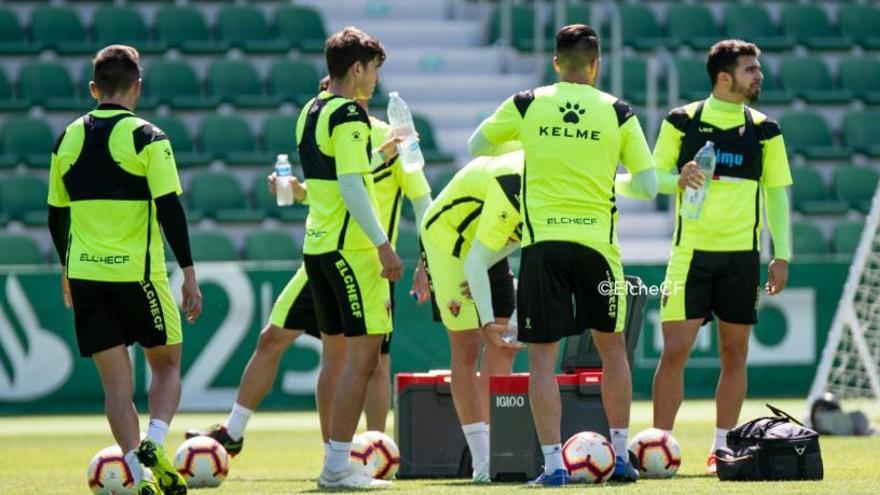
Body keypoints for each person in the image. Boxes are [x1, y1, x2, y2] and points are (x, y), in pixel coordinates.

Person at [184, 77, 431, 454]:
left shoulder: (391, 139)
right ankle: (244, 434)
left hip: (372, 262)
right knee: (277, 339)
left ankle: (377, 450)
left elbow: (420, 198)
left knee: (375, 361)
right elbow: (328, 194)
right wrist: (299, 192)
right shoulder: (328, 131)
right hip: (324, 254)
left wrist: (425, 259)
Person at [469, 25, 657, 486]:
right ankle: (620, 457)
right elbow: (649, 185)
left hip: (543, 245)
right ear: (597, 64)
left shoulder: (527, 103)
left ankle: (553, 466)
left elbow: (478, 146)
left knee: (541, 359)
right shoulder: (618, 110)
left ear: (556, 62)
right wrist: (603, 179)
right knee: (613, 351)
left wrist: (532, 147)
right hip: (598, 246)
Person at [47, 45, 202, 495]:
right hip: (139, 275)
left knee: (117, 386)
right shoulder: (149, 137)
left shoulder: (66, 138)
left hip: (86, 276)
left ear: (94, 89)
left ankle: (137, 478)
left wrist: (65, 268)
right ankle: (154, 442)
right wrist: (189, 272)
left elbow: (56, 215)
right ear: (137, 86)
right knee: (168, 365)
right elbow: (170, 208)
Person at [650, 40, 792, 475]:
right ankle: (657, 449)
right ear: (724, 77)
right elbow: (650, 178)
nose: (759, 76)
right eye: (750, 69)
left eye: (758, 69)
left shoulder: (766, 129)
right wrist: (678, 178)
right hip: (688, 257)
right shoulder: (681, 121)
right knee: (675, 351)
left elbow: (776, 195)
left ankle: (722, 449)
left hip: (742, 258)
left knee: (735, 354)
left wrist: (781, 254)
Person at [297, 27, 401, 489]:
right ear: (357, 68)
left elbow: (338, 174)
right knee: (364, 361)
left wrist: (381, 155)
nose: (376, 79)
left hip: (318, 247)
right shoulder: (351, 117)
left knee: (339, 359)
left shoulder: (311, 110)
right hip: (352, 253)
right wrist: (383, 243)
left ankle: (335, 459)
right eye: (374, 68)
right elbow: (353, 188)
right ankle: (337, 468)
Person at [419, 150, 524, 483]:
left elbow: (520, 240)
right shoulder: (514, 177)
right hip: (447, 241)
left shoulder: (553, 182)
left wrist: (484, 267)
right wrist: (473, 272)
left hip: (488, 243)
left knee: (503, 345)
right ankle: (482, 462)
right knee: (467, 347)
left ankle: (498, 449)